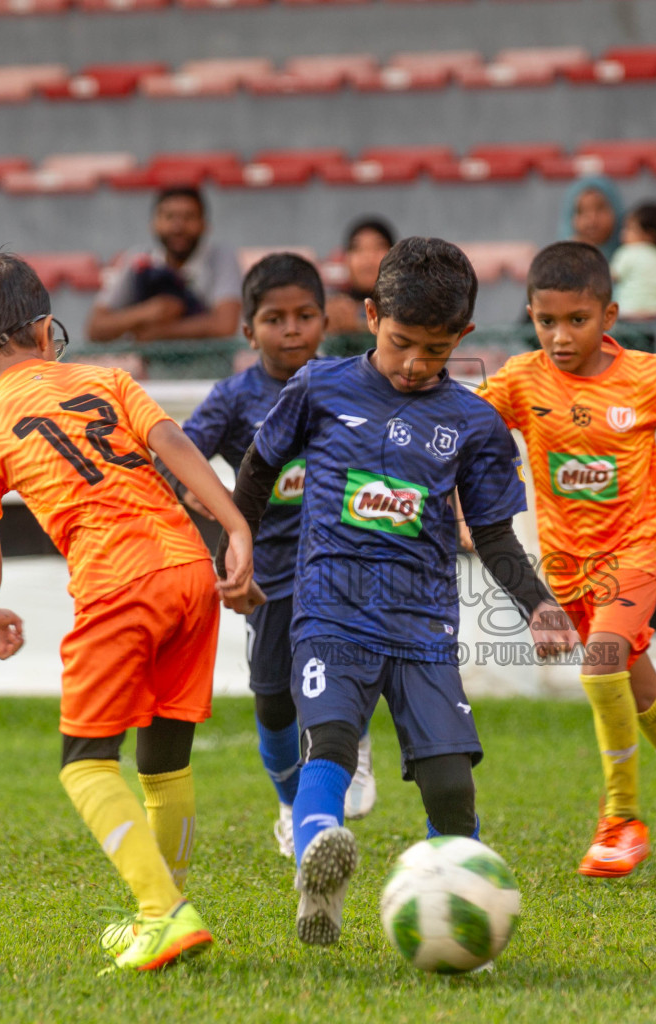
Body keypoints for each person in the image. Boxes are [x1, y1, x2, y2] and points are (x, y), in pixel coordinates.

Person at [217, 237, 578, 945]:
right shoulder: (319, 387)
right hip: (330, 610)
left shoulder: (473, 423)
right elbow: (257, 471)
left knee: (449, 782)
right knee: (332, 743)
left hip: (424, 625)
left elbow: (496, 535)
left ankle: (462, 904)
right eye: (400, 342)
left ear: (463, 339)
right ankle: (318, 873)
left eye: (436, 352)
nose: (415, 365)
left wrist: (538, 603)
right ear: (371, 313)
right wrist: (241, 546)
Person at [0, 253, 257, 971]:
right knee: (163, 761)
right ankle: (163, 911)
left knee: (86, 764)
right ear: (46, 330)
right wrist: (236, 527)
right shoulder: (108, 379)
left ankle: (163, 911)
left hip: (118, 586)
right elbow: (173, 444)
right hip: (188, 570)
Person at [476, 241, 656, 880]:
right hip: (569, 568)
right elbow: (466, 426)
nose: (559, 335)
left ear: (609, 317)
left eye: (576, 320)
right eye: (546, 321)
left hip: (637, 548)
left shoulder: (646, 377)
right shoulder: (521, 380)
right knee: (633, 683)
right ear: (530, 316)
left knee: (601, 668)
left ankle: (622, 819)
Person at [175, 253, 380, 858]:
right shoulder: (234, 397)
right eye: (274, 318)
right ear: (248, 330)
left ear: (325, 321)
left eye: (305, 315)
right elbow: (181, 451)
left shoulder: (350, 381)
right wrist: (199, 489)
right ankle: (291, 804)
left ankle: (355, 748)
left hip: (342, 560)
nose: (291, 328)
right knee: (272, 693)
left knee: (350, 662)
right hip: (264, 571)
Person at [87, 187, 242, 342]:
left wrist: (158, 332)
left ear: (204, 225)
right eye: (169, 217)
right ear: (154, 224)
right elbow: (96, 328)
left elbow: (225, 326)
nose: (178, 227)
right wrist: (148, 312)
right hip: (149, 366)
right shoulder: (139, 260)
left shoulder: (220, 257)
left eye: (188, 217)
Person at [325, 216, 394, 335]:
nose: (368, 257)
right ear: (345, 259)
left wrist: (359, 320)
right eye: (358, 249)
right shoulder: (331, 309)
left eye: (378, 248)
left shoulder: (410, 307)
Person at [560, 176, 624, 260]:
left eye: (600, 208)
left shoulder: (633, 256)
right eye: (581, 211)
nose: (592, 220)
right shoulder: (563, 264)